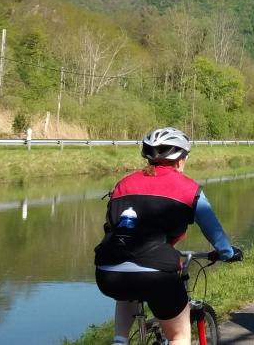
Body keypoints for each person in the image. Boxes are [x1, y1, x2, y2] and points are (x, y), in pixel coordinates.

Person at [94, 127, 243, 345]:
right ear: (181, 159)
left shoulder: (123, 184)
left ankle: (119, 340)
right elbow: (215, 232)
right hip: (156, 274)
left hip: (108, 271)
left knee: (126, 289)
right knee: (179, 336)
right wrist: (227, 253)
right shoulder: (189, 189)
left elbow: (113, 227)